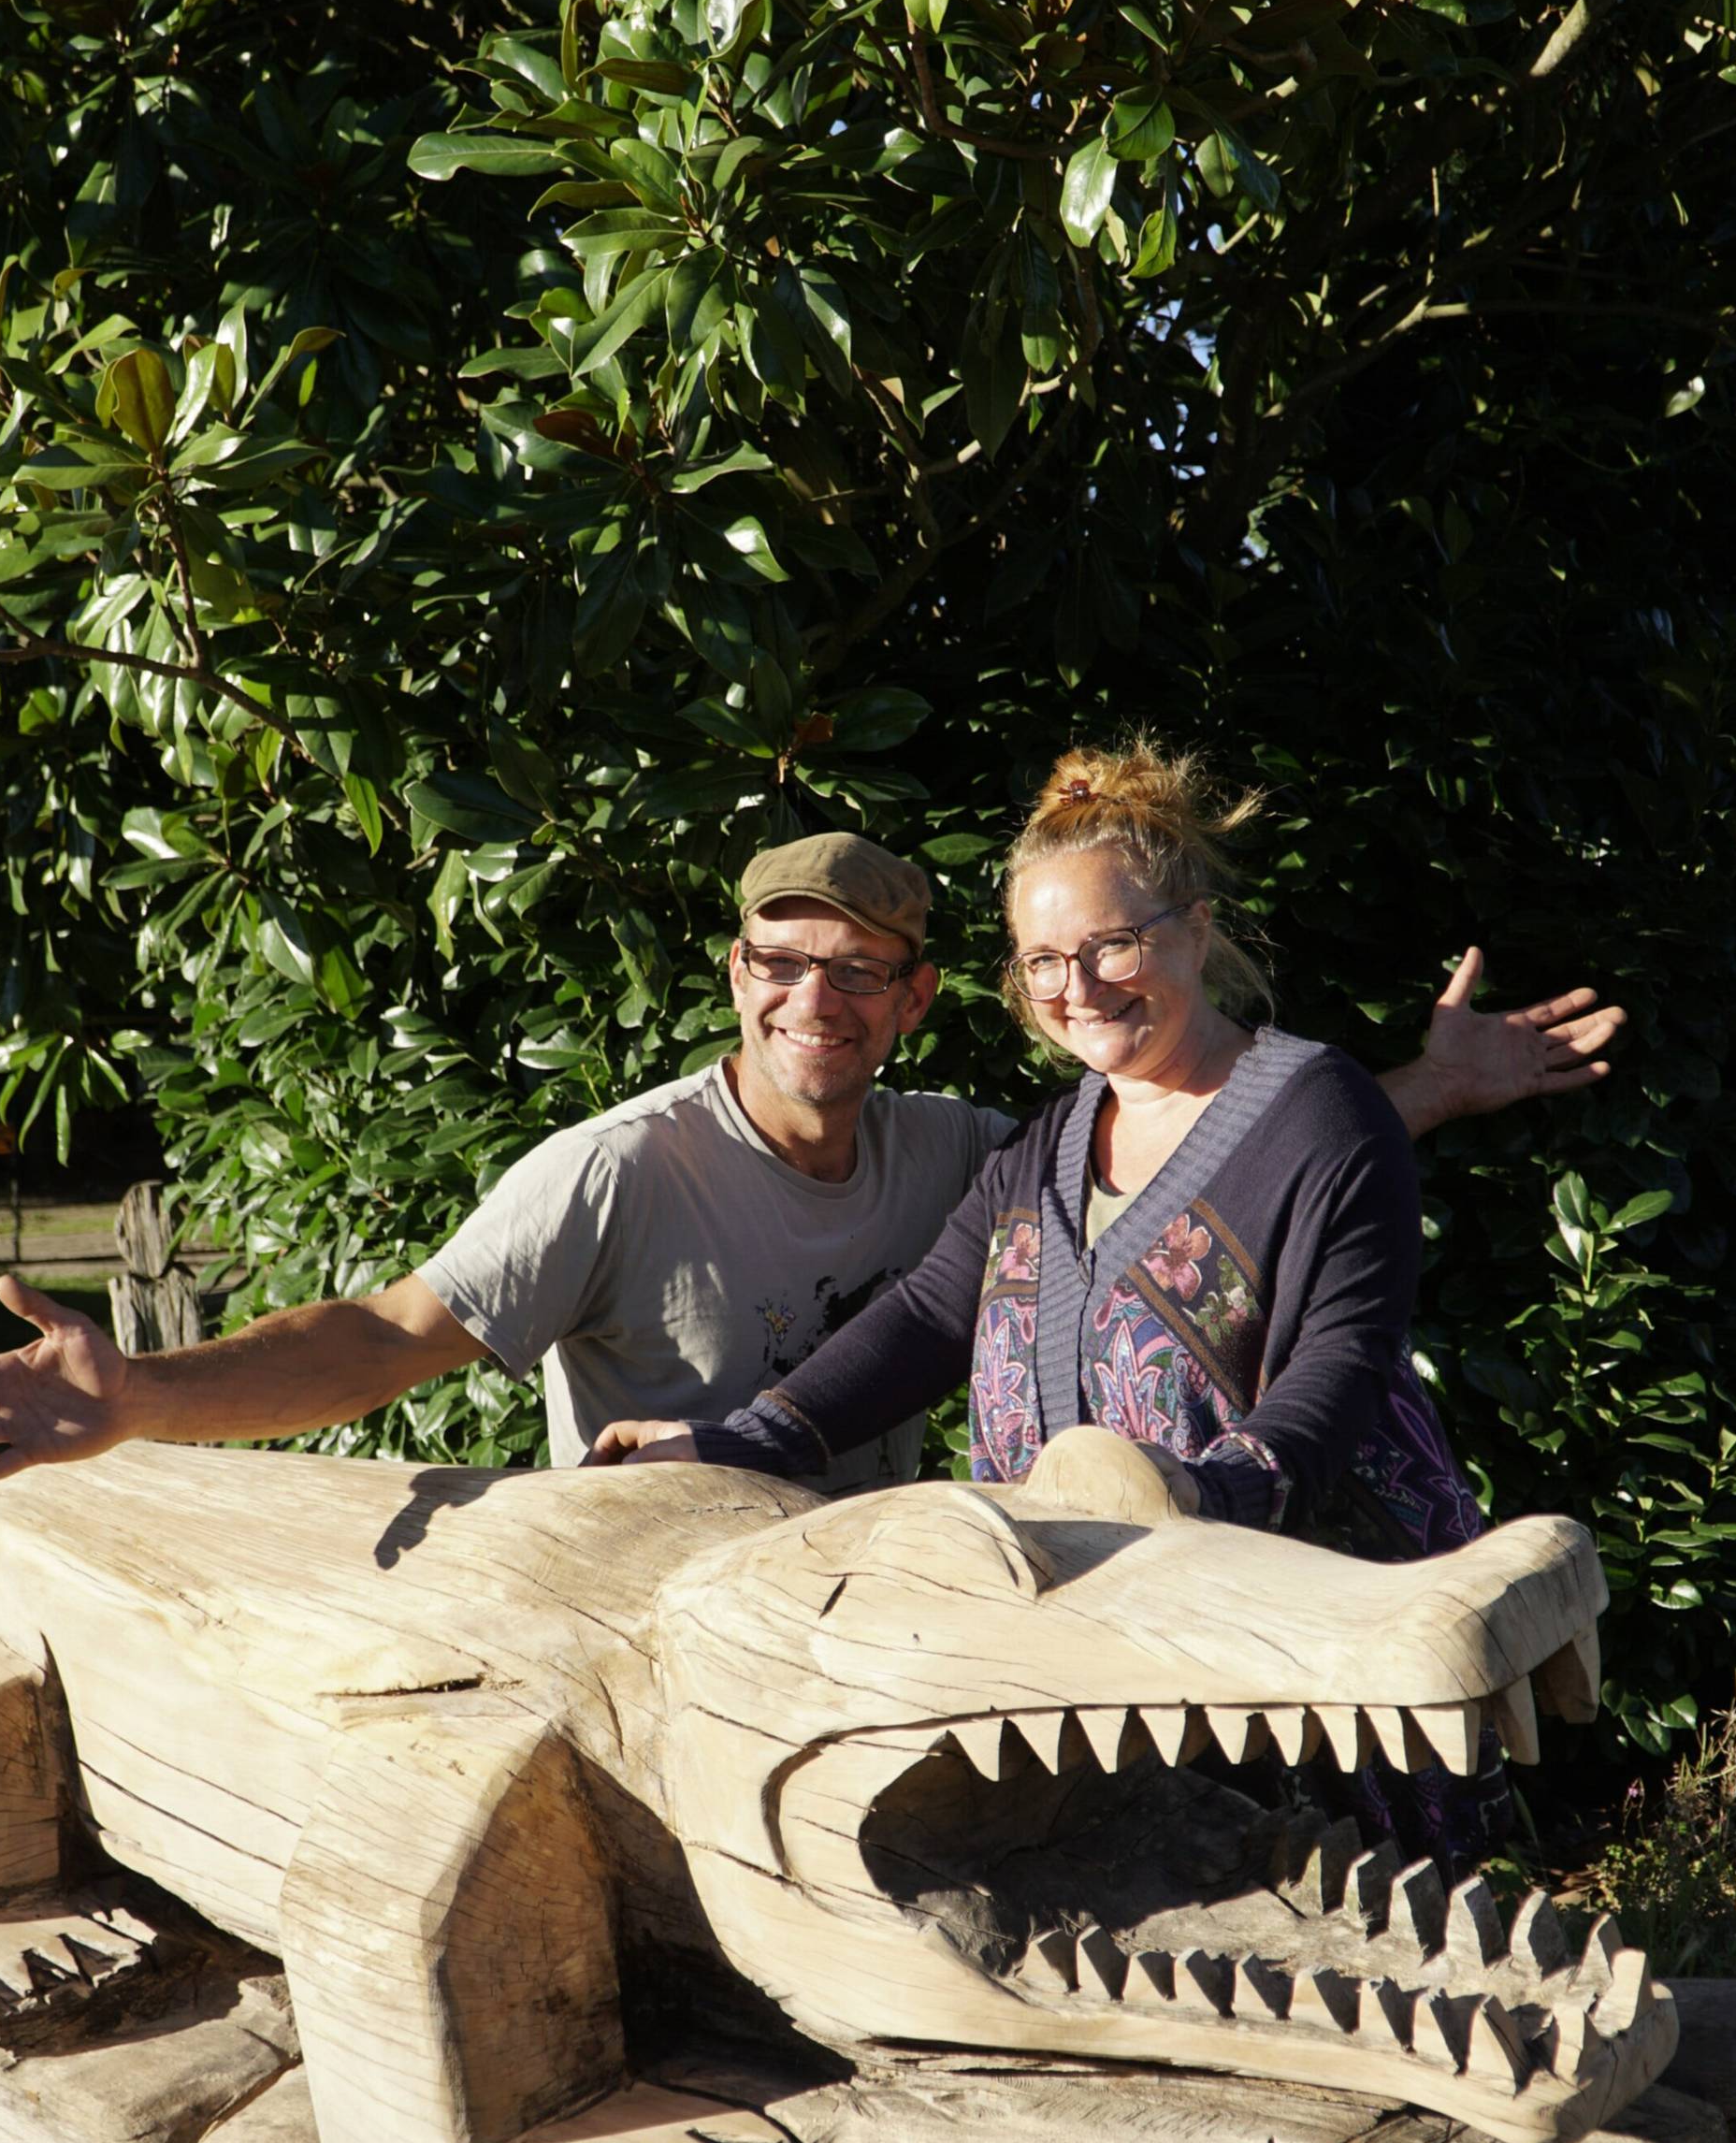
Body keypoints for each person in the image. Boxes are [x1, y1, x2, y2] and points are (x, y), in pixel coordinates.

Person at [0, 823, 1621, 1496]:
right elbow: (385, 1333)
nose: (816, 997)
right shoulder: (622, 1170)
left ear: (919, 995)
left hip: (918, 1637)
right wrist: (135, 1395)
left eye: (859, 967)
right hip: (666, 1631)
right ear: (735, 972)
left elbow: (1209, 1179)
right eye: (779, 961)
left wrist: (1417, 1095)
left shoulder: (974, 1152)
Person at [594, 747, 1553, 1863]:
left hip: (1301, 1657)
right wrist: (732, 1444)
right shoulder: (1044, 1148)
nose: (1079, 988)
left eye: (1114, 945)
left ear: (1194, 930)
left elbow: (1339, 1368)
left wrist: (1201, 1498)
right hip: (1093, 1661)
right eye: (1045, 959)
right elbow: (921, 1322)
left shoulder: (1320, 1114)